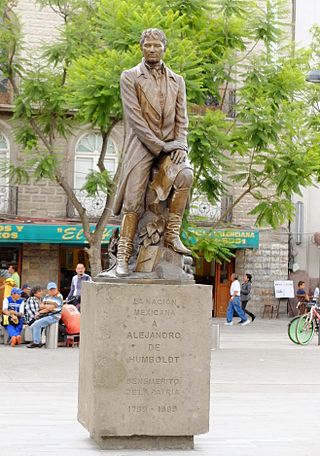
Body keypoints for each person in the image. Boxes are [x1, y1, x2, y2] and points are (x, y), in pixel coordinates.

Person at [113, 28, 194, 277]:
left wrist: (180, 144)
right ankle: (124, 256)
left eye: (156, 45)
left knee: (186, 175)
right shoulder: (130, 77)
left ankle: (171, 234)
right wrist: (161, 146)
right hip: (142, 145)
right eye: (147, 45)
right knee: (133, 201)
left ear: (164, 48)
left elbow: (182, 120)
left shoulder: (176, 80)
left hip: (170, 145)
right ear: (141, 48)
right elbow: (136, 120)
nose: (151, 49)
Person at [27, 282, 63, 349]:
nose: (52, 291)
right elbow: (40, 306)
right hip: (46, 315)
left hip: (54, 316)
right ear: (48, 290)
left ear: (57, 289)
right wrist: (47, 306)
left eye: (54, 289)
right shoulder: (47, 296)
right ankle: (39, 341)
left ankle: (36, 342)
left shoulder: (59, 296)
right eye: (50, 289)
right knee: (32, 326)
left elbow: (50, 308)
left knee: (37, 324)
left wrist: (40, 312)